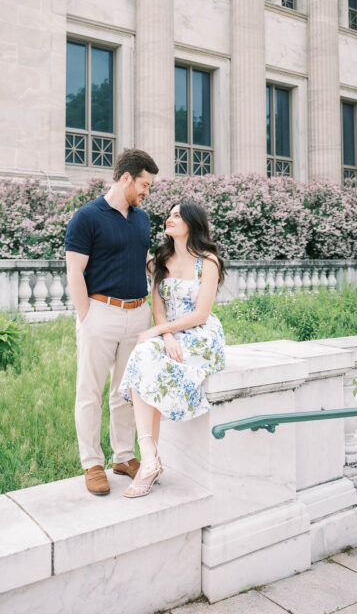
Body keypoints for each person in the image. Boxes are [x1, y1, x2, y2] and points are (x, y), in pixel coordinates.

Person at [117, 201, 227, 498]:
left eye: (177, 216)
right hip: (171, 334)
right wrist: (165, 336)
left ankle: (149, 462)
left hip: (202, 336)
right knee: (143, 355)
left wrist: (158, 332)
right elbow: (159, 307)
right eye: (169, 215)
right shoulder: (162, 259)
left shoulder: (208, 262)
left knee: (146, 354)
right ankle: (150, 457)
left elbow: (201, 314)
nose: (169, 219)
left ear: (192, 223)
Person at [65, 148, 159, 496]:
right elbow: (74, 271)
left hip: (138, 315)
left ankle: (123, 456)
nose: (147, 192)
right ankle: (92, 463)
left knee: (127, 392)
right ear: (125, 178)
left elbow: (143, 258)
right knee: (90, 392)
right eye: (144, 185)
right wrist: (86, 316)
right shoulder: (87, 217)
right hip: (99, 312)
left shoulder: (141, 218)